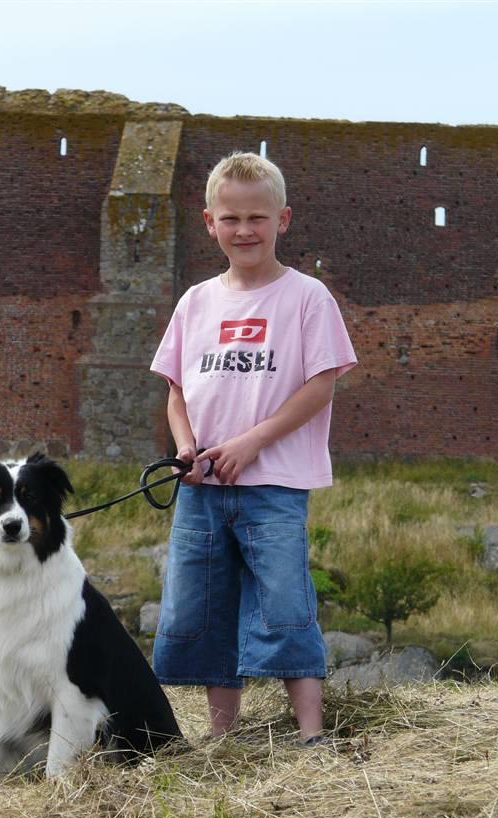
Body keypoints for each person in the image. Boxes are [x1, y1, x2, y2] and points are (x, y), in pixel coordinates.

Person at [150, 151, 357, 745]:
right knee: (205, 606)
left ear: (283, 220)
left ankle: (311, 733)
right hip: (203, 488)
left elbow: (322, 384)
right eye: (232, 219)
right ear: (209, 222)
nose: (245, 230)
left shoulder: (307, 297)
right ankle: (222, 738)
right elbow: (176, 391)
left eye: (257, 218)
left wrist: (250, 443)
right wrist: (187, 447)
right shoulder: (195, 302)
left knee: (285, 600)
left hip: (275, 483)